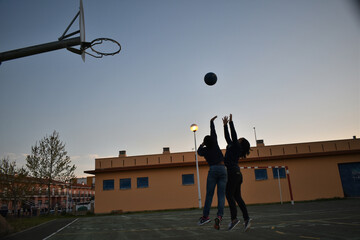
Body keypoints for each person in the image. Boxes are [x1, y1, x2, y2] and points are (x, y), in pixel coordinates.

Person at [197, 116, 227, 230]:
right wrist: (211, 122)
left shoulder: (204, 150)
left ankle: (205, 217)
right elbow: (213, 132)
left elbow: (198, 152)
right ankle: (219, 216)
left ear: (205, 142)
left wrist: (202, 144)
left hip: (213, 170)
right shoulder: (215, 144)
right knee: (221, 195)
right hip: (223, 169)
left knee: (209, 195)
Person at [222, 114, 252, 231]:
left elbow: (233, 135)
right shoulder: (232, 145)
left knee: (229, 195)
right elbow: (227, 137)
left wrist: (230, 123)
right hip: (237, 174)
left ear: (241, 143)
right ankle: (247, 218)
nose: (238, 138)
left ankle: (234, 219)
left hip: (232, 173)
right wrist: (224, 125)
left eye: (240, 139)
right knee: (237, 197)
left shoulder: (236, 147)